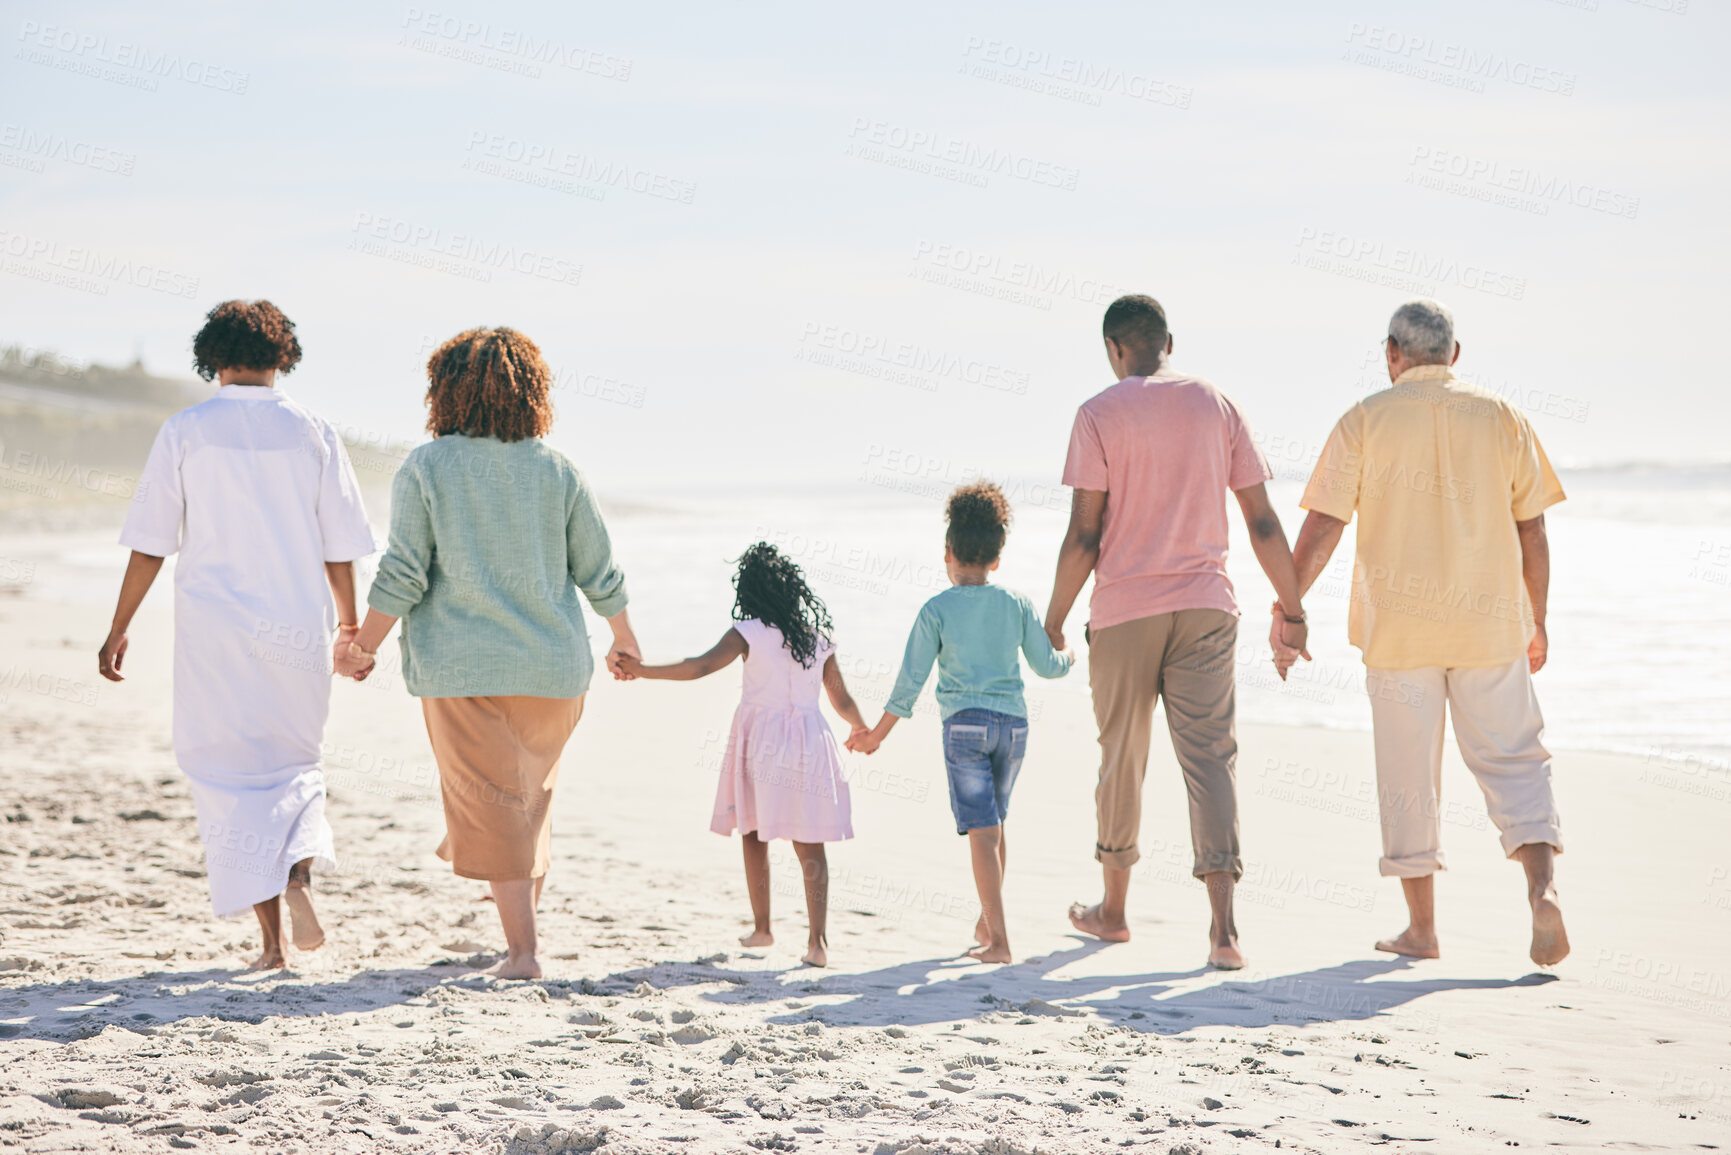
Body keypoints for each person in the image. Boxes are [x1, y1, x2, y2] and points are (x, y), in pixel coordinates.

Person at [334, 327, 640, 981]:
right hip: (555, 671)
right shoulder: (558, 470)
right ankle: (518, 920)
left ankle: (523, 953)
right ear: (531, 392)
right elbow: (598, 566)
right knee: (529, 799)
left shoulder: (428, 465)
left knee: (495, 805)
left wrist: (363, 646)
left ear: (444, 392)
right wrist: (624, 635)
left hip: (465, 669)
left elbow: (405, 571)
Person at [1287, 299, 1568, 966]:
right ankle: (1542, 890)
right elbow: (1532, 527)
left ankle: (1420, 928)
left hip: (1399, 632)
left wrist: (1286, 607)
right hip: (1490, 624)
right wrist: (1539, 617)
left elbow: (1323, 524)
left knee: (1407, 781)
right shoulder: (1502, 415)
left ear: (1391, 353)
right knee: (1515, 760)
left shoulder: (1363, 418)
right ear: (1455, 354)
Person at [99, 299, 376, 969]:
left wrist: (119, 627)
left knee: (224, 772)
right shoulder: (312, 431)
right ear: (283, 355)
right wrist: (350, 627)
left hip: (213, 629)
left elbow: (149, 544)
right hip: (295, 628)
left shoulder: (187, 429)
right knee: (294, 761)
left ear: (212, 354)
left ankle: (272, 943)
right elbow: (340, 548)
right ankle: (299, 873)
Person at [1044, 294, 1309, 969]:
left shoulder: (1097, 414)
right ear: (1169, 341)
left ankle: (1112, 911)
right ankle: (1223, 931)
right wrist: (1292, 604)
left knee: (1121, 757)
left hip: (1124, 610)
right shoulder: (1216, 403)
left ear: (1112, 350)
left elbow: (1083, 532)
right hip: (1205, 606)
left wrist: (1052, 617)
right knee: (1210, 760)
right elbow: (1260, 519)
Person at [850, 482, 1073, 964]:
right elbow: (1048, 666)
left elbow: (909, 684)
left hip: (965, 730)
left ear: (947, 552)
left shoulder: (936, 610)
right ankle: (986, 922)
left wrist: (875, 736)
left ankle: (1000, 942)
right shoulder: (1016, 603)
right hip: (1014, 728)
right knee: (994, 825)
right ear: (997, 558)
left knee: (983, 831)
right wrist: (1071, 653)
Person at [617, 543, 865, 967]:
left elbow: (698, 666)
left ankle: (763, 928)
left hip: (762, 741)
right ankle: (817, 943)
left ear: (748, 589)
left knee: (753, 831)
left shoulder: (746, 631)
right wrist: (862, 728)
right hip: (808, 739)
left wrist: (642, 670)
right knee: (811, 843)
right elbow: (839, 697)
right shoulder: (817, 638)